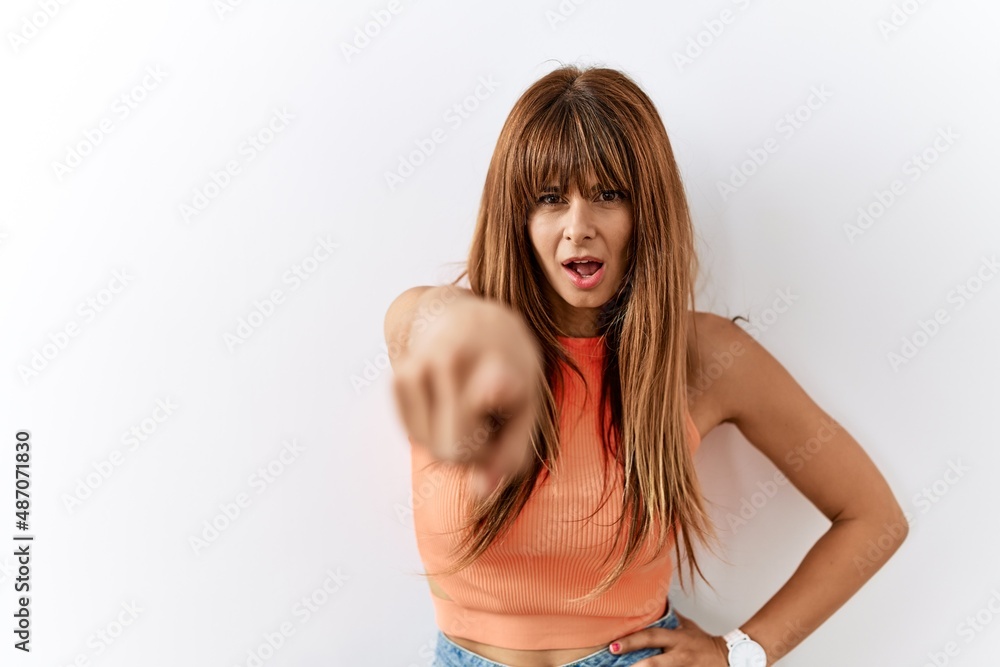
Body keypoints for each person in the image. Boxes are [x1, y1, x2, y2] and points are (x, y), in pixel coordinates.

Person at [384, 64, 908, 667]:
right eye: (550, 199)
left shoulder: (699, 357)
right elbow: (414, 320)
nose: (578, 228)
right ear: (517, 217)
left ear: (646, 210)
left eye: (609, 194)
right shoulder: (443, 334)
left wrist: (740, 652)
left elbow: (873, 518)